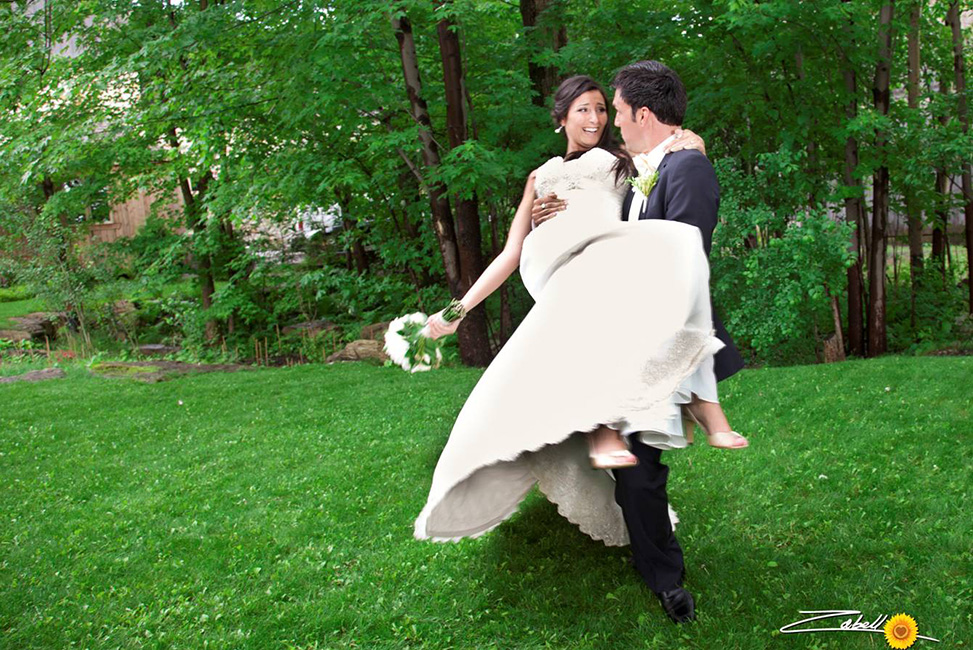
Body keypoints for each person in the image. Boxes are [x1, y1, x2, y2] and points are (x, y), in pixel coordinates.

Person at [415, 69, 740, 624]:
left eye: (602, 109)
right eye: (583, 110)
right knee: (519, 406)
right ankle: (503, 466)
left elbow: (667, 163)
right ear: (560, 117)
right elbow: (511, 251)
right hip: (565, 312)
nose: (595, 119)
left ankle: (663, 574)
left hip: (616, 317)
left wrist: (696, 143)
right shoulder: (540, 177)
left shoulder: (621, 164)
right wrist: (456, 311)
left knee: (635, 462)